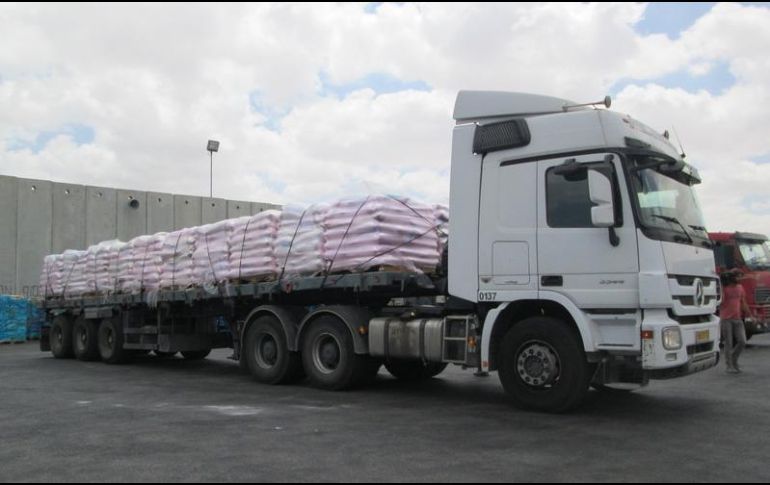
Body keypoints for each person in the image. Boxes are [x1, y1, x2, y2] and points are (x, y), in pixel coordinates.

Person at [719, 270, 753, 373]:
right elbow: (720, 301)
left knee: (742, 341)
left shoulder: (740, 288)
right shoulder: (724, 289)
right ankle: (729, 365)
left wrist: (749, 314)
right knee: (728, 343)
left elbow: (743, 302)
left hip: (737, 318)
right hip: (726, 319)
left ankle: (733, 359)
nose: (739, 279)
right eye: (738, 277)